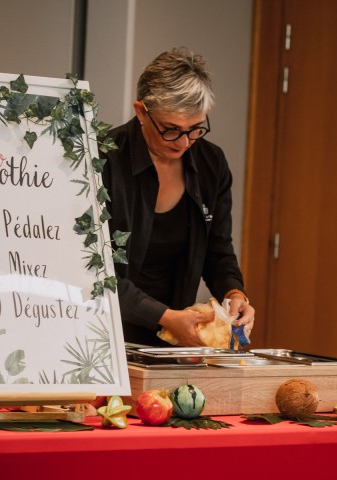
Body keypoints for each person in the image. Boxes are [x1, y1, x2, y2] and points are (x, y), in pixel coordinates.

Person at [102, 47, 255, 347]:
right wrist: (163, 316)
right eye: (171, 130)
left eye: (195, 129)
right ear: (141, 112)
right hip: (105, 332)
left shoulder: (211, 164)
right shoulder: (102, 159)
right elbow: (94, 272)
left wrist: (235, 294)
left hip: (176, 337)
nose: (184, 142)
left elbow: (218, 250)